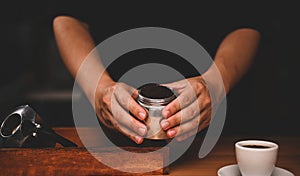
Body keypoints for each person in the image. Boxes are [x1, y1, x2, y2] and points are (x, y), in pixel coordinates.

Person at [52, 4, 261, 145]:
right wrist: (99, 87)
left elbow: (248, 21)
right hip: (106, 140)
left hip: (215, 140)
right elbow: (68, 17)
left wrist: (215, 84)